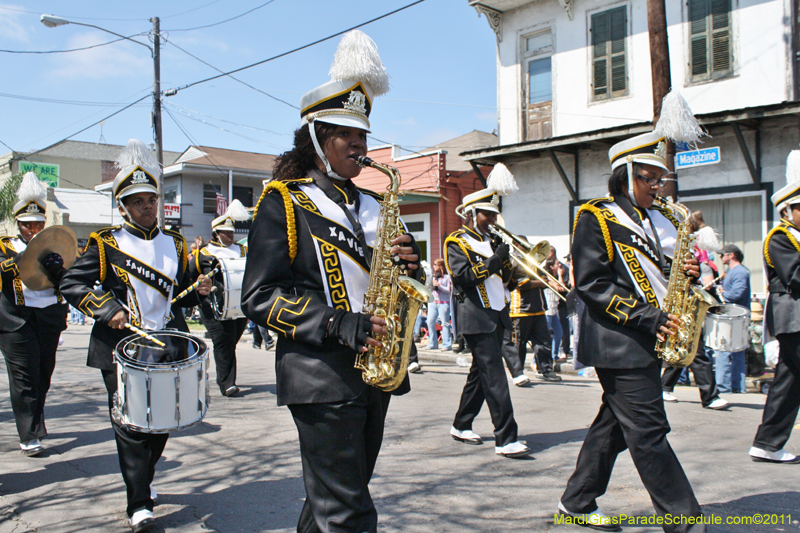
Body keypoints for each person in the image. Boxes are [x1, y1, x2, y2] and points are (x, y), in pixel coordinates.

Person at [240, 31, 423, 533]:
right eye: (347, 135)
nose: (359, 145)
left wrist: (412, 263)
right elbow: (258, 296)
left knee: (337, 498)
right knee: (348, 512)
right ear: (318, 138)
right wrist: (338, 323)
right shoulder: (284, 202)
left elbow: (405, 276)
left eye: (363, 135)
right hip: (321, 375)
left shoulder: (377, 204)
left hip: (375, 370)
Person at [558, 120, 706, 532]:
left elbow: (667, 274)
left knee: (616, 426)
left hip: (650, 335)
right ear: (624, 175)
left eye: (661, 178)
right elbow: (591, 284)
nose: (658, 186)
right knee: (649, 429)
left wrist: (690, 272)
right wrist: (647, 317)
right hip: (617, 339)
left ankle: (576, 501)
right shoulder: (595, 217)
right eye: (649, 178)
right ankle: (685, 521)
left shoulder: (661, 220)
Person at [60, 139, 211, 532]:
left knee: (160, 421)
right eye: (137, 201)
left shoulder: (175, 243)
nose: (146, 206)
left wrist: (200, 287)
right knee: (130, 424)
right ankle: (138, 503)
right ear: (123, 206)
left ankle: (141, 479)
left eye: (151, 199)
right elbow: (72, 284)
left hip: (165, 343)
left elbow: (180, 290)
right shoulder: (106, 243)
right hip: (120, 348)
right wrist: (106, 308)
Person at [445, 163, 530, 459]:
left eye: (494, 214)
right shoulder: (456, 242)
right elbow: (465, 277)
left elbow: (505, 280)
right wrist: (495, 260)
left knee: (480, 375)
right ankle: (506, 438)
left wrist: (512, 266)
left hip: (497, 314)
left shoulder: (492, 241)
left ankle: (461, 423)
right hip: (476, 317)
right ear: (471, 214)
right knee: (495, 376)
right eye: (487, 214)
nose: (492, 219)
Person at [0, 172, 69, 457]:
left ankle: (35, 422)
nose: (32, 229)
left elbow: (68, 280)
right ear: (19, 224)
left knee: (43, 373)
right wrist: (23, 257)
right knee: (24, 376)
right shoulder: (4, 246)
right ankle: (28, 434)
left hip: (48, 318)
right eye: (27, 225)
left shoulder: (55, 247)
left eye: (37, 224)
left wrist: (59, 268)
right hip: (16, 319)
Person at [749, 150, 800, 463]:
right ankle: (767, 442)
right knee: (788, 381)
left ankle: (768, 442)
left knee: (789, 381)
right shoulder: (779, 238)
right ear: (788, 210)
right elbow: (795, 276)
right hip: (793, 317)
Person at [661, 211, 729, 410]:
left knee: (687, 348)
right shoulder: (672, 247)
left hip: (688, 301)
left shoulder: (692, 251)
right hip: (680, 302)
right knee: (695, 351)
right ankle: (709, 396)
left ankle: (664, 386)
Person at [192, 200, 250, 397]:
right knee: (223, 341)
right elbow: (191, 278)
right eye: (227, 232)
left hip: (239, 305)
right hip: (213, 307)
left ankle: (225, 376)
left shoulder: (242, 251)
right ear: (216, 233)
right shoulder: (204, 254)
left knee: (231, 341)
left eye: (232, 232)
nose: (231, 236)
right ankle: (227, 383)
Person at [715, 243, 751, 394]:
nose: (721, 257)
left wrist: (721, 293)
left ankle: (724, 387)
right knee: (736, 352)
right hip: (735, 317)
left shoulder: (739, 272)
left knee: (724, 350)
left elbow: (737, 293)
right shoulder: (734, 272)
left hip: (734, 317)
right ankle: (737, 387)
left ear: (731, 255)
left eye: (722, 254)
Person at [426, 258, 452, 351]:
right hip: (434, 302)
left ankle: (447, 344)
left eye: (435, 264)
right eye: (433, 265)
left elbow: (449, 290)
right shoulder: (433, 277)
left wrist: (439, 286)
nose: (434, 266)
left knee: (445, 323)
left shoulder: (446, 277)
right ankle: (433, 343)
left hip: (444, 303)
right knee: (430, 322)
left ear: (440, 266)